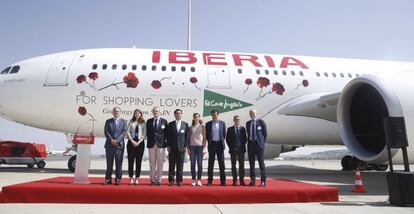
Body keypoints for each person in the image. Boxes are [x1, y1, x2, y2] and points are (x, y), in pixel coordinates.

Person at [103, 107, 128, 185]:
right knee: (109, 163)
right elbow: (106, 132)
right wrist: (112, 140)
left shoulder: (124, 122)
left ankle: (118, 179)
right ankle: (108, 179)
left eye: (118, 111)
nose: (116, 112)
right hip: (109, 145)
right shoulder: (108, 121)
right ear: (112, 112)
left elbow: (124, 132)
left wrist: (117, 141)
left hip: (119, 146)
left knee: (119, 163)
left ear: (120, 112)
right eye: (115, 111)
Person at [166, 109, 189, 186]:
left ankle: (179, 180)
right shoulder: (170, 124)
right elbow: (168, 136)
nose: (178, 115)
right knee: (171, 165)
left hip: (181, 148)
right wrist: (168, 146)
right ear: (174, 114)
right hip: (172, 148)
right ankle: (171, 180)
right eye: (176, 113)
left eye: (179, 113)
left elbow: (186, 137)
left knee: (180, 165)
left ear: (181, 114)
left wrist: (186, 146)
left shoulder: (185, 124)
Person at [146, 107, 168, 186]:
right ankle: (152, 179)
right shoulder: (149, 121)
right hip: (151, 144)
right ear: (152, 112)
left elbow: (166, 135)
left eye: (157, 111)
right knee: (152, 162)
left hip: (161, 145)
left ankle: (159, 180)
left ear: (160, 112)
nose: (156, 112)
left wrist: (166, 147)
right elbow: (147, 133)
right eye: (154, 111)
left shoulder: (164, 121)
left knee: (160, 163)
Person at [246, 110, 267, 187]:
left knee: (261, 163)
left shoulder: (261, 122)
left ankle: (263, 181)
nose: (252, 115)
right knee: (251, 164)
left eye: (254, 113)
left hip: (259, 145)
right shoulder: (248, 123)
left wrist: (261, 143)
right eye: (251, 113)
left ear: (256, 114)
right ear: (249, 115)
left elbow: (265, 134)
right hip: (251, 145)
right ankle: (252, 180)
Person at [205, 109, 226, 186]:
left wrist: (221, 141)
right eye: (213, 115)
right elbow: (207, 135)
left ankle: (223, 181)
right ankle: (209, 181)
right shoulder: (208, 124)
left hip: (220, 145)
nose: (214, 116)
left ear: (218, 115)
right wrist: (210, 141)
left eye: (215, 115)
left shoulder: (222, 123)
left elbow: (224, 134)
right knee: (210, 164)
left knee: (221, 164)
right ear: (211, 115)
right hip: (212, 145)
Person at [126, 109, 146, 185]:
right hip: (131, 142)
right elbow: (127, 132)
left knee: (138, 161)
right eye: (135, 113)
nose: (137, 114)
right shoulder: (130, 122)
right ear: (134, 114)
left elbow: (144, 133)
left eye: (138, 113)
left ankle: (137, 178)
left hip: (140, 142)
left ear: (140, 114)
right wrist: (132, 141)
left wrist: (139, 142)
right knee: (130, 161)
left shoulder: (143, 123)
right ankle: (131, 178)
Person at [226, 115, 247, 186]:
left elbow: (245, 139)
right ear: (233, 120)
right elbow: (227, 140)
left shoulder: (243, 129)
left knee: (241, 166)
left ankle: (242, 180)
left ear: (239, 120)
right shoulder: (230, 129)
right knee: (233, 166)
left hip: (241, 150)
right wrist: (231, 147)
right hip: (233, 150)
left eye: (238, 119)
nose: (237, 120)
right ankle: (234, 181)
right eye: (235, 119)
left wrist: (241, 146)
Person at [187, 113, 206, 187]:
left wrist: (204, 148)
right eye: (195, 117)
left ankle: (199, 180)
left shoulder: (202, 127)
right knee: (192, 163)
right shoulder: (190, 127)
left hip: (200, 147)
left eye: (197, 117)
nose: (196, 118)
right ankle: (193, 180)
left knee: (200, 164)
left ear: (199, 118)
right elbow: (188, 139)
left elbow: (204, 138)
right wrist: (188, 149)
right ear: (193, 118)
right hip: (192, 147)